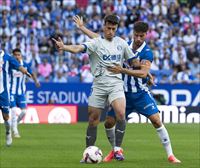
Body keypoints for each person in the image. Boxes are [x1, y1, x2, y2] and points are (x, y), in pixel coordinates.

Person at [73, 16, 181, 164]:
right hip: (122, 92)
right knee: (109, 123)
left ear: (146, 35)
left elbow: (142, 73)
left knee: (156, 120)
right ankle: (115, 150)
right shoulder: (124, 44)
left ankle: (170, 155)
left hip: (140, 93)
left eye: (141, 36)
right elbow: (99, 38)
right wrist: (82, 28)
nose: (137, 38)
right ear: (133, 33)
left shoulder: (147, 52)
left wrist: (123, 70)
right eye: (135, 35)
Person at [52, 14, 138, 162]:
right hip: (99, 85)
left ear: (116, 28)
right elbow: (79, 48)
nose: (111, 31)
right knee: (93, 120)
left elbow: (133, 61)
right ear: (104, 26)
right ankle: (87, 153)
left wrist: (143, 70)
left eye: (113, 28)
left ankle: (117, 149)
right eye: (108, 28)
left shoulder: (121, 43)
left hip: (116, 84)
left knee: (121, 113)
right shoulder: (95, 43)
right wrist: (64, 47)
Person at [0, 49, 31, 146]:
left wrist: (26, 72)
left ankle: (8, 133)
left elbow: (19, 66)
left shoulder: (7, 57)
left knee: (6, 116)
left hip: (3, 92)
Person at [10, 48, 40, 138]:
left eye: (18, 55)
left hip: (21, 92)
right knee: (13, 110)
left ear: (21, 56)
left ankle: (15, 124)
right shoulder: (9, 65)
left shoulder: (25, 65)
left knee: (23, 111)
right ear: (12, 56)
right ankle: (15, 131)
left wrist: (36, 81)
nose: (17, 56)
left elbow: (32, 73)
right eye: (15, 55)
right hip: (11, 92)